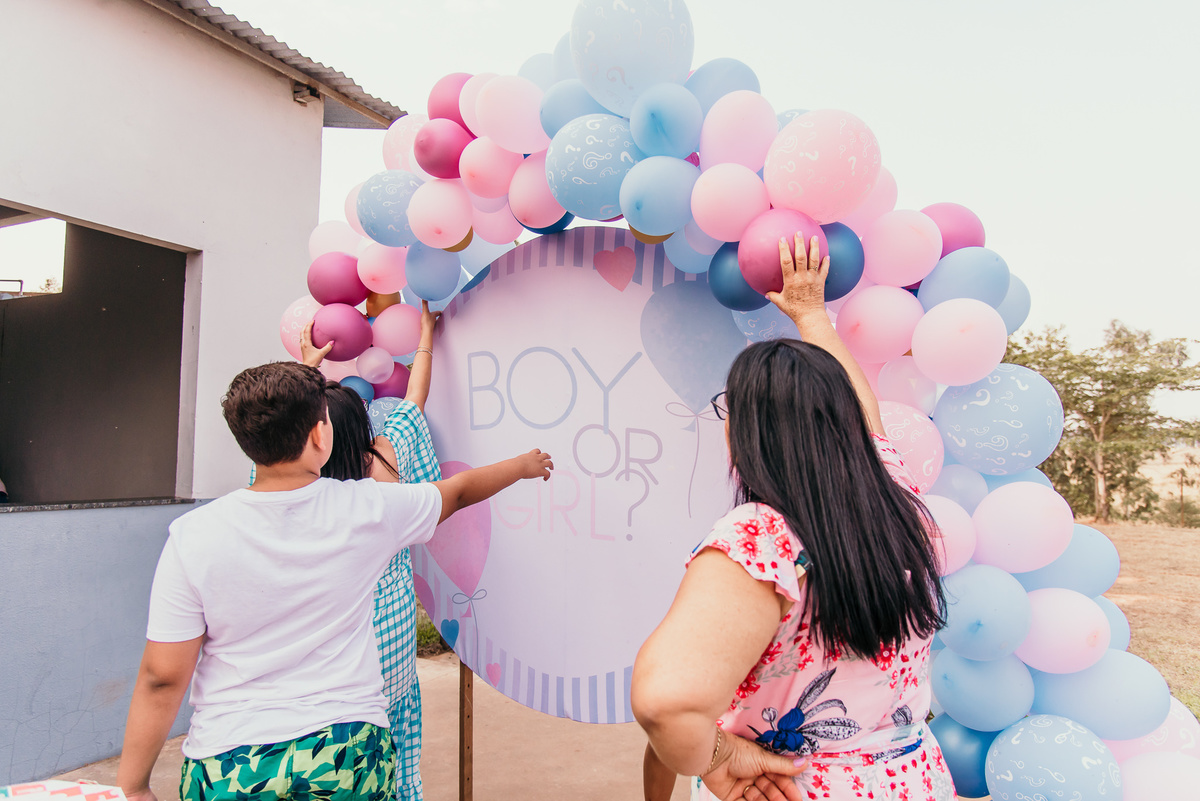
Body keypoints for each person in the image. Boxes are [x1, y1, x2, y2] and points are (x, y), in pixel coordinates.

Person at [115, 358, 553, 801]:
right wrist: (521, 465)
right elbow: (457, 491)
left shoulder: (192, 535)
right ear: (319, 435)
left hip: (230, 762)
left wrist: (133, 785)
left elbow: (162, 676)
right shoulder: (367, 509)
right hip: (344, 753)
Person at [631, 235, 953, 801]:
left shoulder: (762, 536)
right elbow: (866, 416)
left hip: (784, 787)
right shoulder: (900, 501)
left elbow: (666, 704)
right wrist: (811, 315)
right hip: (912, 780)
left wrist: (721, 754)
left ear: (749, 433)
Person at [299, 302, 442, 801]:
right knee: (395, 755)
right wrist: (426, 335)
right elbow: (415, 397)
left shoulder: (292, 487)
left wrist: (307, 369)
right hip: (390, 650)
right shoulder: (387, 463)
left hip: (324, 659)